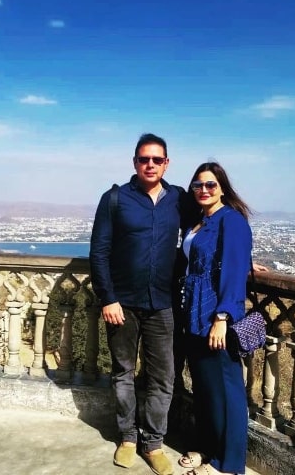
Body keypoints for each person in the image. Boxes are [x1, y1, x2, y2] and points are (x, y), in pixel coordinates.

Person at [89, 133, 183, 475]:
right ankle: (128, 438)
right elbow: (99, 252)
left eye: (157, 160)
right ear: (135, 162)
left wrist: (242, 258)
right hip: (122, 304)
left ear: (166, 163)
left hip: (162, 304)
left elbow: (205, 231)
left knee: (163, 377)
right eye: (144, 159)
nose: (150, 165)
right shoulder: (115, 199)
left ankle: (153, 443)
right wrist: (108, 298)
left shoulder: (178, 199)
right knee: (123, 373)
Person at [178, 162, 254, 475]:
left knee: (227, 391)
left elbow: (234, 271)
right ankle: (207, 448)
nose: (204, 190)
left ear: (222, 187)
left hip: (215, 317)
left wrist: (223, 316)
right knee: (205, 389)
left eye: (210, 184)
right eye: (198, 185)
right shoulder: (199, 221)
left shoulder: (231, 220)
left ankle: (229, 464)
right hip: (193, 315)